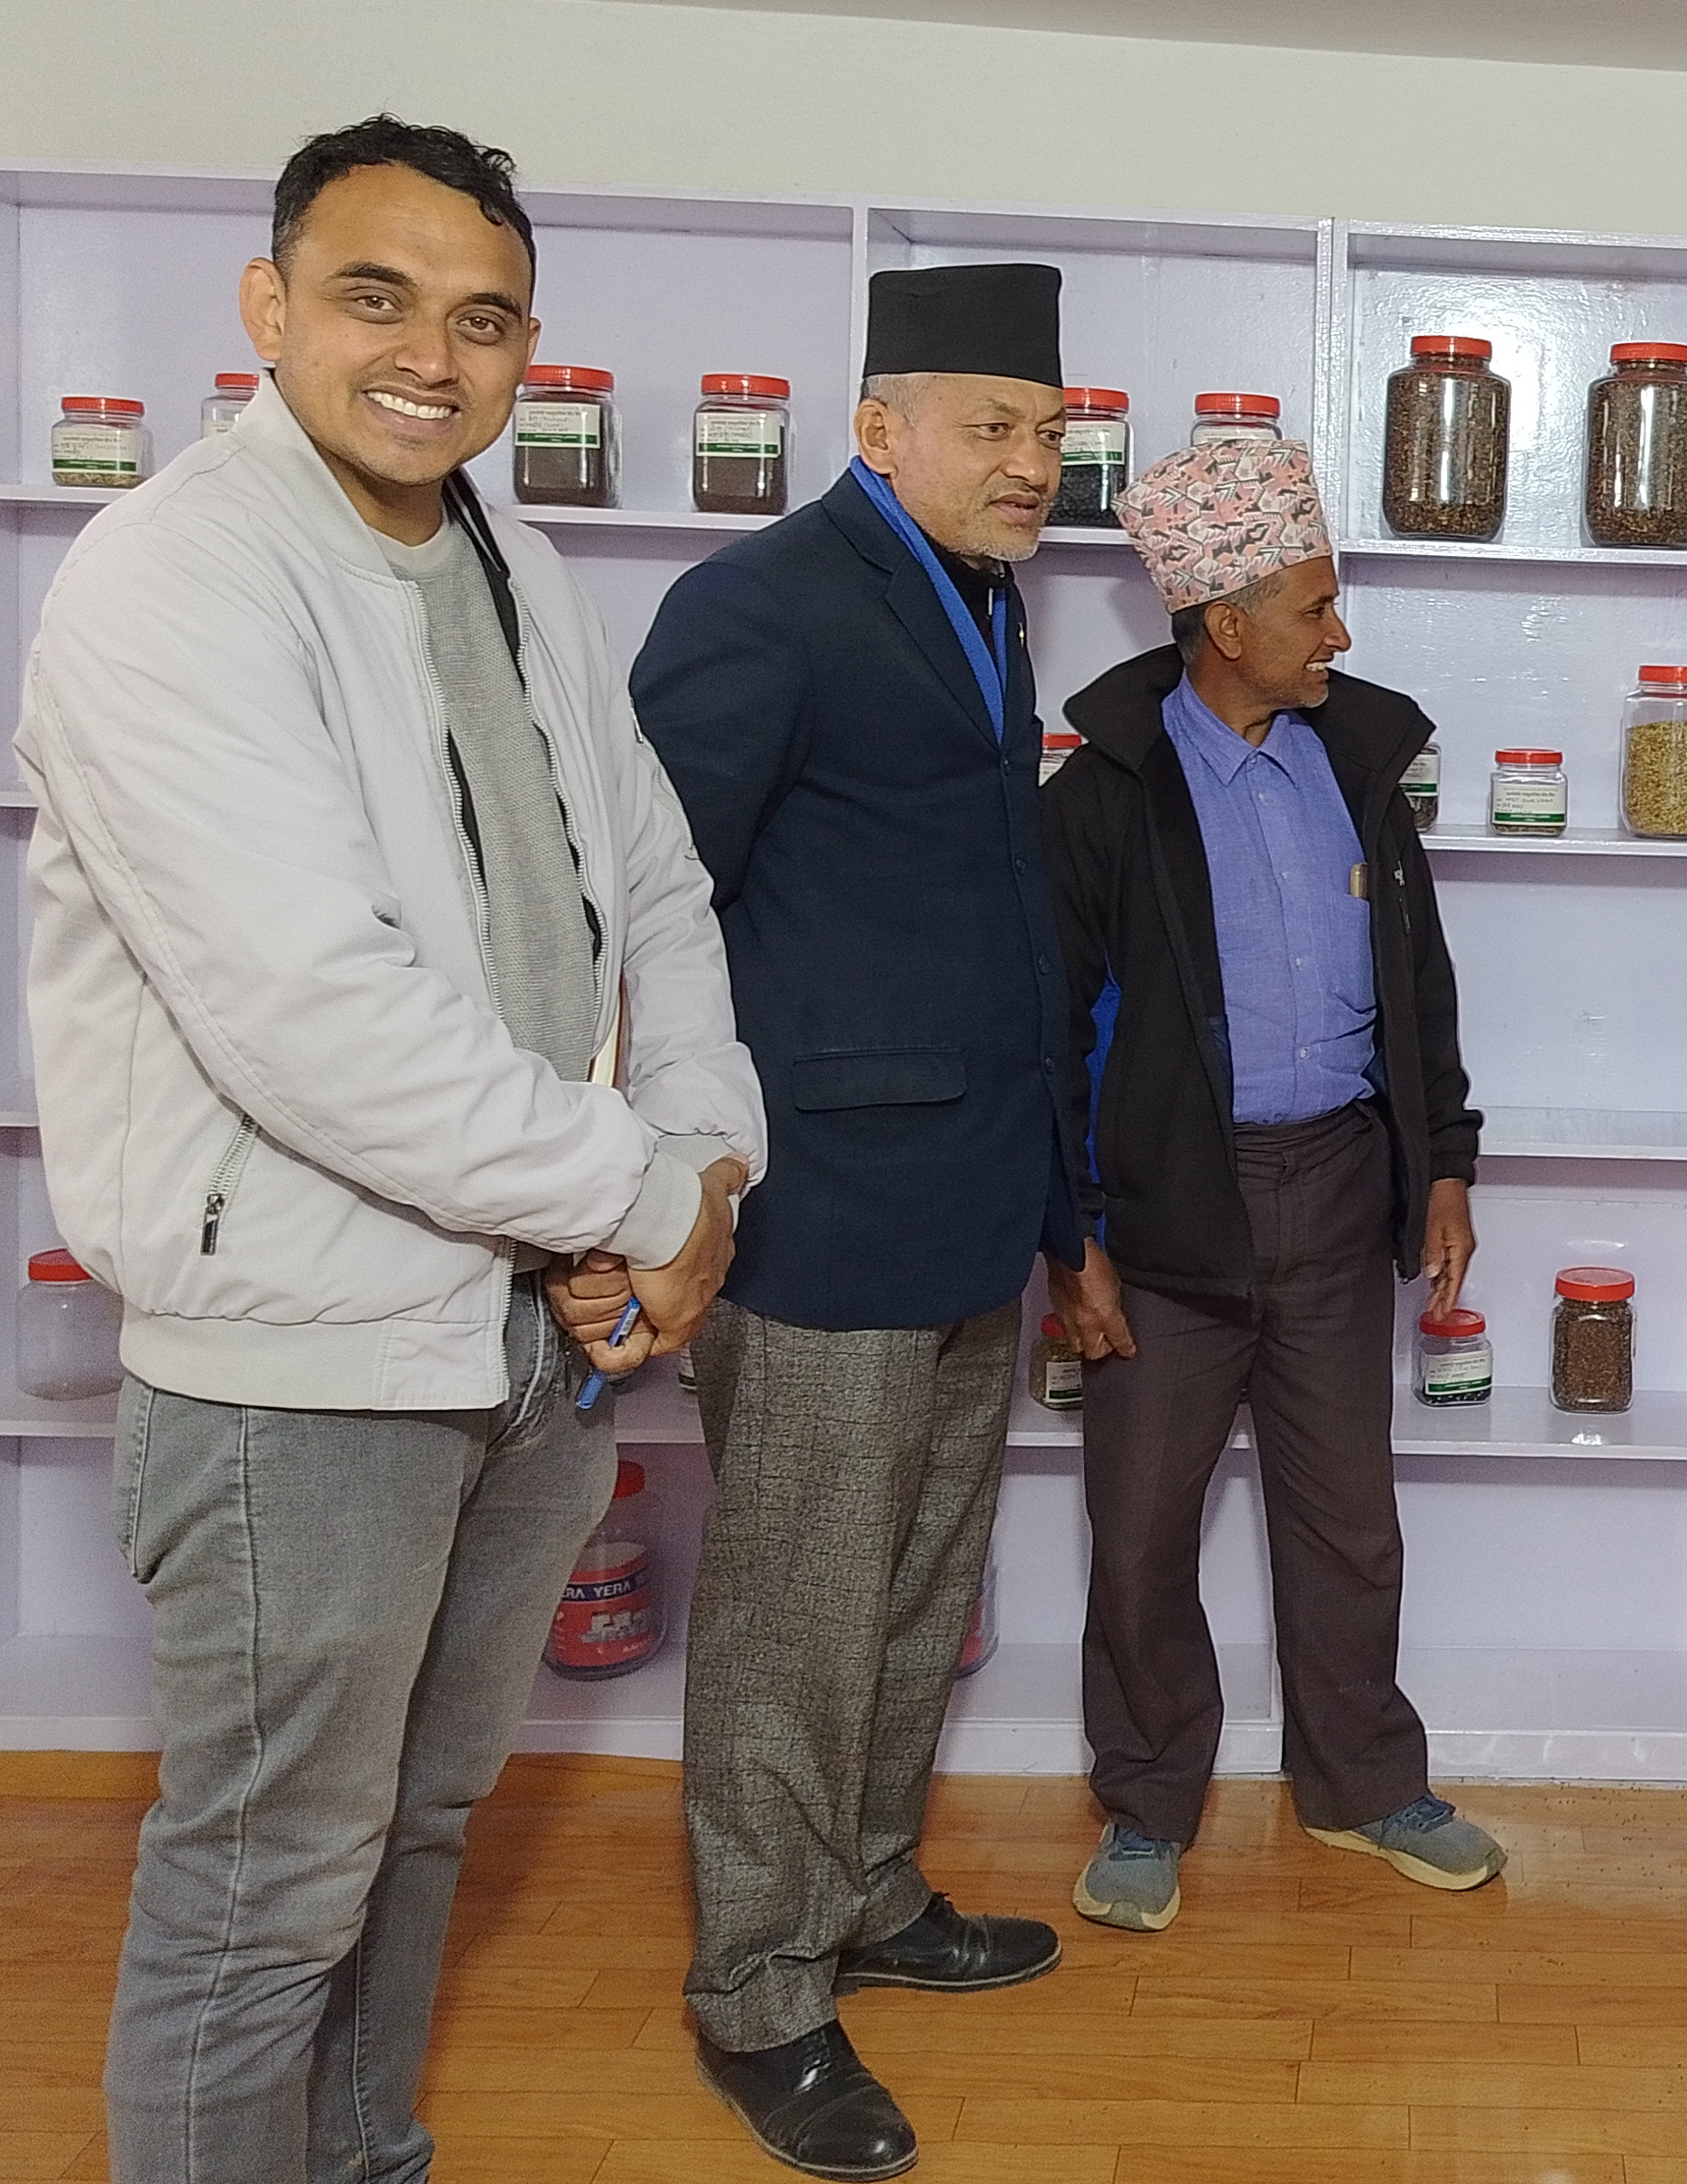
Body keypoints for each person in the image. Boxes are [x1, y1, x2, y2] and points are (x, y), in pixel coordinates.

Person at [19, 116, 764, 2184]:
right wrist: (637, 1197)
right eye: (377, 297)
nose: (433, 355)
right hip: (302, 1358)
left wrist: (703, 1165)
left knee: (418, 1828)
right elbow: (308, 1012)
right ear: (267, 308)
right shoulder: (169, 573)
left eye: (484, 318)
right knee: (264, 1889)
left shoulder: (518, 569)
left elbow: (658, 893)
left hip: (536, 1334)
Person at [626, 263, 1080, 2180]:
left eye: (1047, 431)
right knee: (796, 1618)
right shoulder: (761, 602)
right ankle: (757, 1989)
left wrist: (1058, 1201)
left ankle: (870, 1896)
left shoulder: (985, 599)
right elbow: (648, 912)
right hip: (817, 1200)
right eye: (991, 427)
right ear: (877, 427)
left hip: (968, 1195)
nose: (1030, 463)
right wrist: (654, 1180)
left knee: (912, 1593)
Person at [1040, 433, 1494, 1932]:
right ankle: (1147, 1801)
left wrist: (1444, 1163)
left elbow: (1418, 982)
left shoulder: (1353, 769)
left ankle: (1364, 1784)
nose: (1338, 633)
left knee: (1349, 1518)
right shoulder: (1105, 796)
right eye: (1314, 605)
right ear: (1226, 623)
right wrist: (1072, 1238)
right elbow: (1049, 1029)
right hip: (1169, 1208)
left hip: (1339, 1186)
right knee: (1142, 1529)